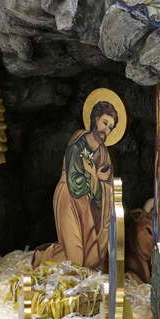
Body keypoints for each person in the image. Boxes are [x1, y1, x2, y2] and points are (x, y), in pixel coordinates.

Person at [33, 101, 118, 269]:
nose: (106, 130)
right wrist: (95, 177)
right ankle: (43, 256)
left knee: (90, 259)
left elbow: (106, 187)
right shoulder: (78, 144)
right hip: (69, 199)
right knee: (76, 260)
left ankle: (54, 255)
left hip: (87, 204)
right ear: (95, 119)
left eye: (110, 128)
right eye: (105, 123)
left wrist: (99, 183)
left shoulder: (103, 154)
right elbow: (75, 184)